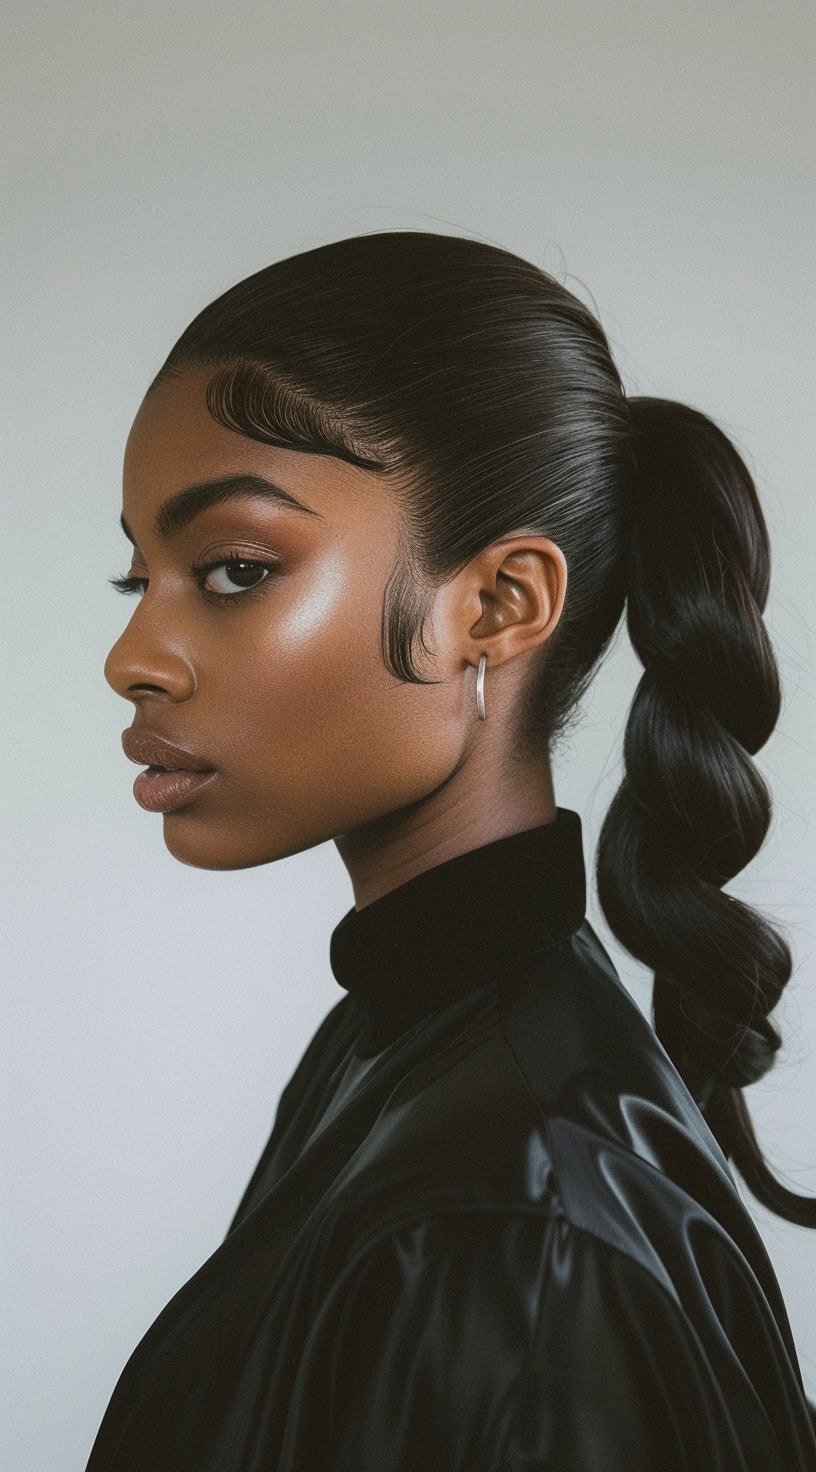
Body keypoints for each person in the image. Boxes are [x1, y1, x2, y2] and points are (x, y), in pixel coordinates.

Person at [89, 230, 816, 1470]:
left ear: (495, 604)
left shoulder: (508, 1216)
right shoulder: (404, 1048)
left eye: (230, 569)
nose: (132, 657)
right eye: (138, 573)